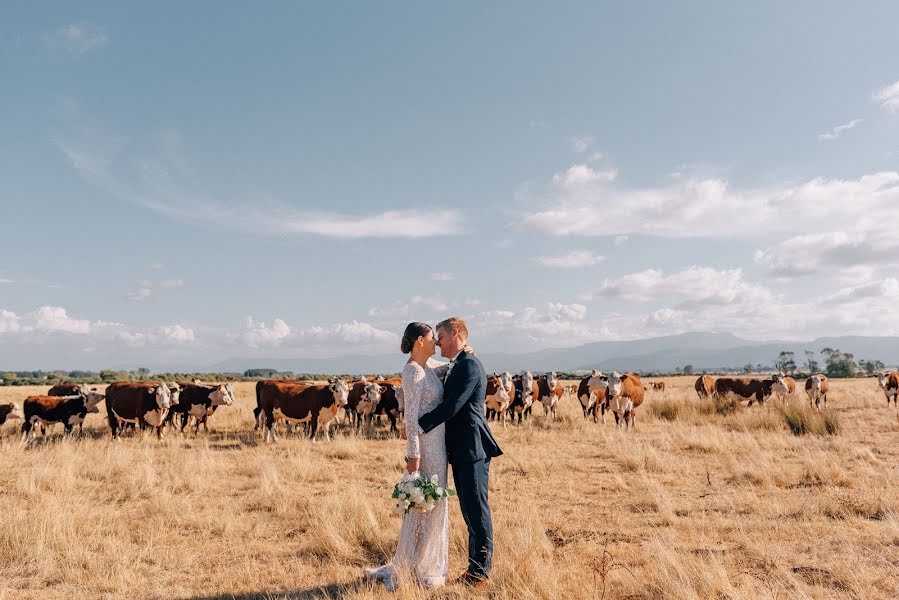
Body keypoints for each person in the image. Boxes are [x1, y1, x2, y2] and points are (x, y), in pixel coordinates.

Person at [363, 322, 450, 590]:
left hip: (439, 447)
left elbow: (453, 366)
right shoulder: (412, 371)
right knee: (422, 506)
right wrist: (413, 456)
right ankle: (408, 567)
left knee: (434, 507)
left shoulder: (432, 366)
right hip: (424, 448)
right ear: (419, 341)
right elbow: (410, 417)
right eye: (431, 337)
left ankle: (422, 564)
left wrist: (467, 350)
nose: (436, 340)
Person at [418, 317, 502, 587]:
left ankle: (480, 573)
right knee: (469, 510)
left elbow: (452, 405)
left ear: (455, 334)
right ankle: (474, 568)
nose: (438, 342)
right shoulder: (459, 363)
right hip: (461, 448)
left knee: (477, 511)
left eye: (440, 336)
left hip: (472, 447)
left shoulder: (468, 365)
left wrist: (418, 426)